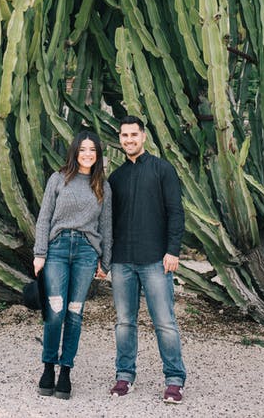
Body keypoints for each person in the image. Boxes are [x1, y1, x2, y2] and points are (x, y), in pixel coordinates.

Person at [108, 115, 186, 404]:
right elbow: (109, 221)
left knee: (164, 322)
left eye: (134, 135)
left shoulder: (162, 169)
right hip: (122, 261)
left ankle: (175, 380)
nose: (129, 140)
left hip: (156, 259)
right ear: (120, 139)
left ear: (144, 136)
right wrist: (106, 259)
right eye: (124, 136)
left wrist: (173, 250)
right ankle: (124, 376)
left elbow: (176, 212)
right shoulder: (116, 178)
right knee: (124, 323)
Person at [33, 130, 112, 399]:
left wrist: (106, 262)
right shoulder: (58, 179)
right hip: (56, 249)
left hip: (86, 254)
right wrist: (39, 253)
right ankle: (48, 368)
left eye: (92, 150)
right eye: (83, 149)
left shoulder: (102, 185)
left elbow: (106, 227)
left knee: (75, 313)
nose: (87, 154)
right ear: (75, 152)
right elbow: (44, 218)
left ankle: (65, 371)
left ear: (98, 154)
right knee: (55, 311)